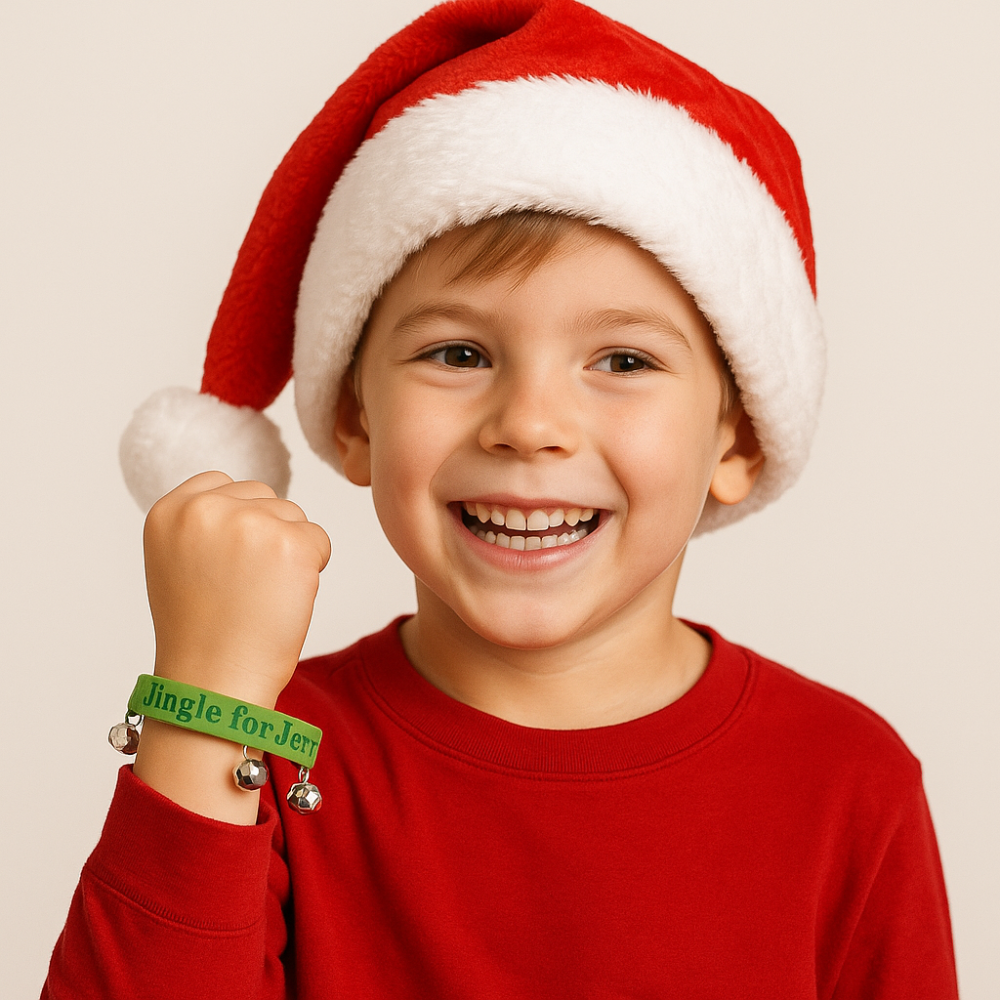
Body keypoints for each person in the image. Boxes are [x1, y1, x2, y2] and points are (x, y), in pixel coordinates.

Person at [42, 1, 959, 996]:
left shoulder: (843, 783)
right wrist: (207, 696)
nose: (528, 422)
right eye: (458, 353)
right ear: (353, 417)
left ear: (736, 439)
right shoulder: (260, 743)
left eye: (621, 358)